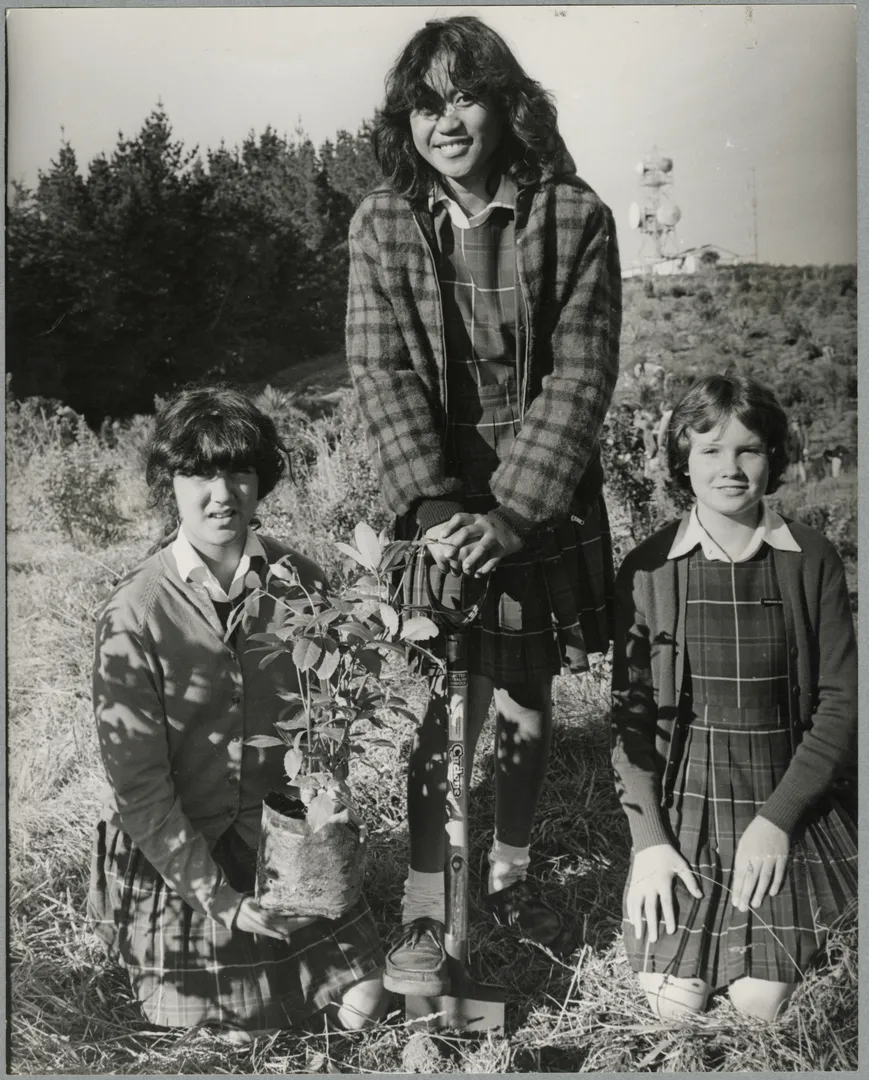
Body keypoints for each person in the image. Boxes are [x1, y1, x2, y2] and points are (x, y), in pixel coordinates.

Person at [345, 15, 621, 995]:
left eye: (465, 96)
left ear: (507, 105)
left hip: (535, 495)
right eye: (426, 105)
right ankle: (426, 903)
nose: (447, 121)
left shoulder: (573, 216)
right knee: (435, 697)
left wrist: (511, 514)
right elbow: (379, 371)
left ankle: (507, 870)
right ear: (405, 122)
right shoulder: (382, 221)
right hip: (430, 491)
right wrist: (429, 512)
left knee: (521, 690)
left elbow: (580, 376)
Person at [87, 387, 388, 1040]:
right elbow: (140, 787)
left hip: (277, 835)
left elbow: (326, 722)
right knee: (238, 1033)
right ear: (169, 483)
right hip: (180, 847)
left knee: (365, 1006)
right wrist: (220, 899)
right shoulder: (134, 612)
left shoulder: (300, 582)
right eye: (199, 473)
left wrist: (324, 808)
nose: (221, 494)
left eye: (239, 472)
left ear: (261, 480)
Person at [611, 374, 857, 1021]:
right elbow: (630, 720)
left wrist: (778, 821)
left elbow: (839, 703)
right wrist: (649, 842)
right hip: (687, 796)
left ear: (772, 457)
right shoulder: (648, 567)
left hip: (785, 787)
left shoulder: (811, 559)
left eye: (748, 449)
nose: (730, 467)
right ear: (682, 461)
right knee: (673, 1003)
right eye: (710, 449)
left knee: (758, 1002)